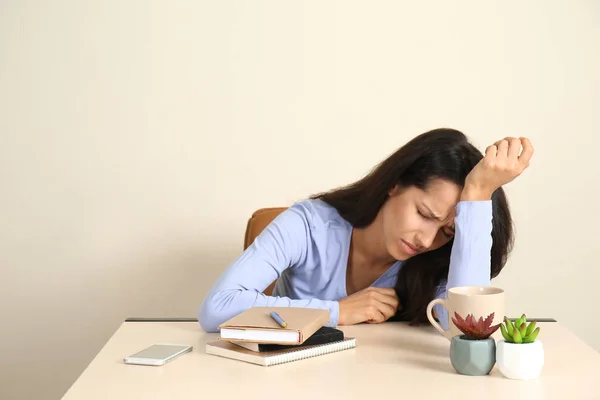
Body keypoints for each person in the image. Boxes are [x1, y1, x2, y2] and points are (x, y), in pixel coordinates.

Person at [198, 128, 534, 332]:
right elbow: (218, 308)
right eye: (424, 213)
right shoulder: (309, 225)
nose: (427, 240)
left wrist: (477, 198)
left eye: (447, 232)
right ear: (394, 186)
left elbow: (467, 328)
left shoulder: (439, 260)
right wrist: (337, 311)